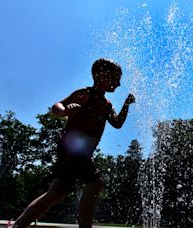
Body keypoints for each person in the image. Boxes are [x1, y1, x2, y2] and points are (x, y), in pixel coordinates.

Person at [10, 58, 135, 228]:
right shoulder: (85, 94)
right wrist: (64, 111)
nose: (119, 83)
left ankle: (18, 225)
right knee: (95, 182)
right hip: (72, 147)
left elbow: (117, 123)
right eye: (115, 77)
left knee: (55, 193)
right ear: (100, 75)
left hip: (80, 151)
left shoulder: (106, 105)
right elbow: (57, 105)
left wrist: (126, 105)